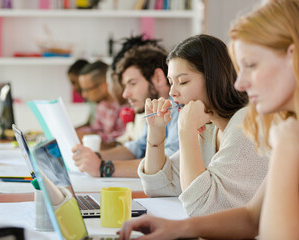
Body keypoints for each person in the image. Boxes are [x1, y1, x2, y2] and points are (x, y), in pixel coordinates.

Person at [118, 1, 299, 239]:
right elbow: (252, 218)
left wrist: (185, 131)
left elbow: (202, 206)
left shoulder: (272, 130)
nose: (239, 83)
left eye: (252, 65)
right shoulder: (286, 128)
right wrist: (176, 228)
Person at [138, 34, 268, 217]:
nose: (172, 92)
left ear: (214, 78)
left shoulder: (246, 123)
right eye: (171, 82)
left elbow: (199, 207)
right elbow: (157, 186)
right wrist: (156, 129)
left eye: (183, 82)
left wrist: (186, 131)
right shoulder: (210, 128)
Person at [72, 44, 180, 177]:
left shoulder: (178, 108)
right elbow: (137, 147)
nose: (125, 94)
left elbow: (169, 163)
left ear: (158, 78)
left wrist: (104, 167)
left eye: (132, 83)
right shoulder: (155, 107)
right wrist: (95, 157)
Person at [76, 60, 126, 144]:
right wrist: (78, 132)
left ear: (104, 85)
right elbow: (96, 128)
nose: (84, 95)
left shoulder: (125, 105)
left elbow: (122, 138)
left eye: (87, 90)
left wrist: (88, 136)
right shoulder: (101, 105)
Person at [67, 59, 96, 128]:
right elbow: (90, 124)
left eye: (74, 82)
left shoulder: (98, 99)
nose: (73, 88)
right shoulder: (90, 100)